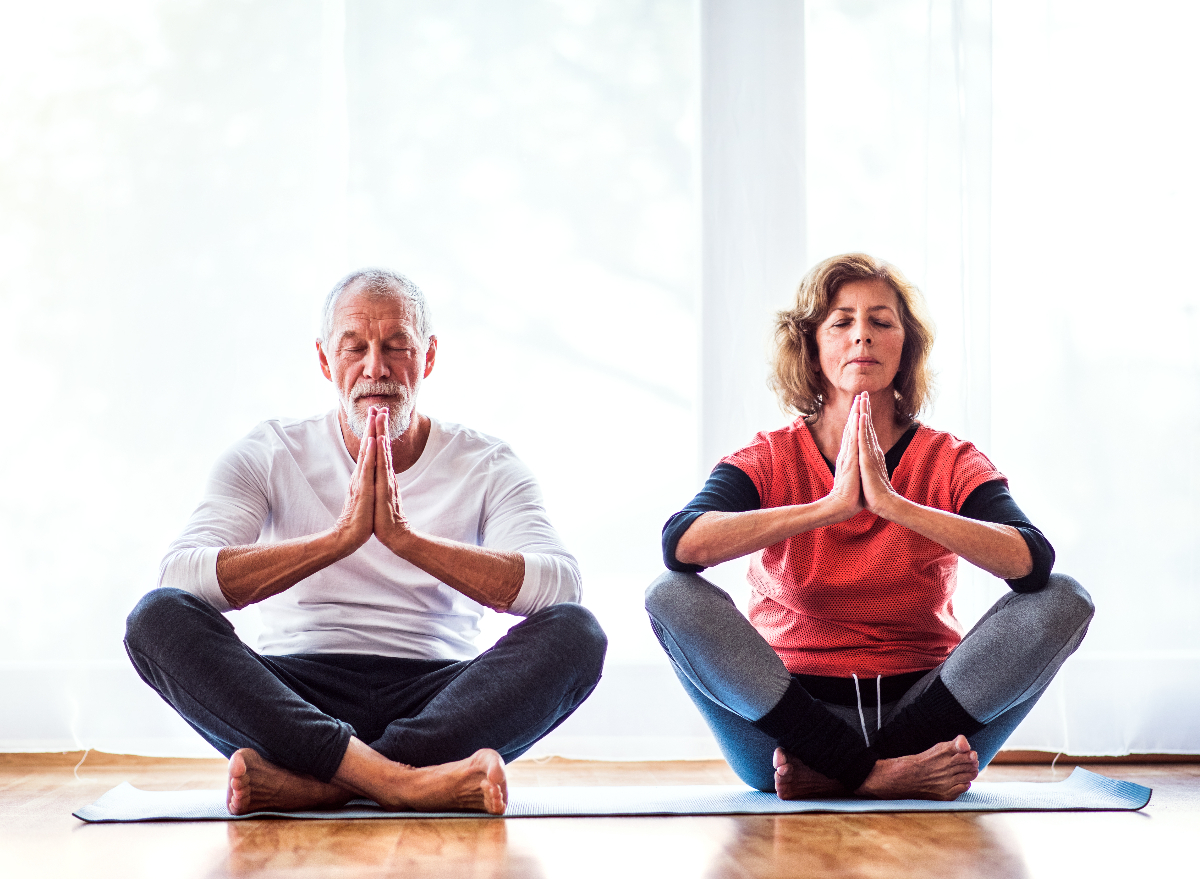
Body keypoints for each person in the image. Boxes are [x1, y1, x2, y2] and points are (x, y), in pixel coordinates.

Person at [125, 269, 606, 815]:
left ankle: (324, 784)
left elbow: (560, 587)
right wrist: (338, 540)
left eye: (397, 346)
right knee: (157, 618)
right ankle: (403, 783)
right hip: (295, 698)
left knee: (577, 635)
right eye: (354, 348)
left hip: (439, 698)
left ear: (427, 357)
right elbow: (180, 577)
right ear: (326, 360)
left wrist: (407, 541)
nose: (375, 368)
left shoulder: (487, 462)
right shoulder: (270, 451)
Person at [645, 253, 1093, 800]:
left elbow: (1031, 562)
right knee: (669, 594)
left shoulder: (949, 459)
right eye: (842, 322)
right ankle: (881, 776)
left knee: (1065, 598)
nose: (863, 335)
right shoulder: (769, 457)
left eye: (881, 321)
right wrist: (831, 507)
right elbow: (682, 544)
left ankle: (849, 775)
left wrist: (894, 504)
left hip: (927, 721)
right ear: (812, 348)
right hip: (791, 735)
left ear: (905, 349)